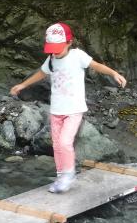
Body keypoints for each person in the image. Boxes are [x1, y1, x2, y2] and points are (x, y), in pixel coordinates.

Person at [10, 22, 126, 193]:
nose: (55, 51)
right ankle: (61, 176)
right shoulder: (51, 59)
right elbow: (41, 74)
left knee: (65, 142)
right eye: (52, 48)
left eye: (58, 47)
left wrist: (114, 73)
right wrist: (22, 85)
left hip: (74, 109)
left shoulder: (77, 56)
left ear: (69, 43)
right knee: (57, 145)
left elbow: (96, 66)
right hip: (56, 110)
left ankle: (69, 174)